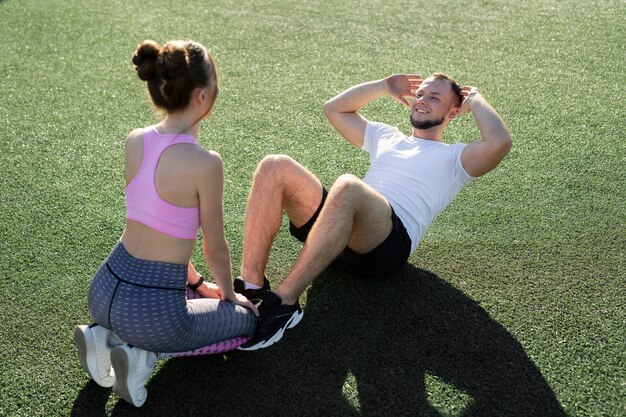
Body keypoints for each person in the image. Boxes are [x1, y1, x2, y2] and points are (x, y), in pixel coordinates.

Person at [234, 73, 512, 350]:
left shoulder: (456, 159)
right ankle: (250, 287)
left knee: (348, 186)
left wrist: (475, 99)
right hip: (337, 232)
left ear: (453, 112)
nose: (422, 101)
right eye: (421, 94)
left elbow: (499, 143)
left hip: (385, 247)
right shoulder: (387, 136)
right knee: (275, 166)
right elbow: (334, 109)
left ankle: (284, 304)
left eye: (434, 98)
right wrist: (382, 86)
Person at [73, 39, 258, 407]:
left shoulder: (135, 140)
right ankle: (144, 355)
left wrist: (198, 283)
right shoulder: (206, 163)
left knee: (172, 303)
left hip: (104, 286)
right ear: (203, 97)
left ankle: (103, 336)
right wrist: (230, 294)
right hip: (152, 312)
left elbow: (161, 225)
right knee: (244, 321)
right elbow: (214, 245)